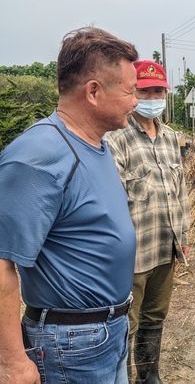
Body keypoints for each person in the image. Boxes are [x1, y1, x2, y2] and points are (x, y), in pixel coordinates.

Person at [0, 27, 139, 384]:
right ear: (93, 91)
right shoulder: (39, 157)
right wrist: (13, 362)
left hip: (108, 331)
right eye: (129, 90)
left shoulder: (97, 144)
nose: (136, 100)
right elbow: (2, 266)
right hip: (71, 346)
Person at [105, 60, 191, 383]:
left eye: (159, 91)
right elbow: (113, 202)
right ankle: (124, 378)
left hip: (165, 249)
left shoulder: (170, 138)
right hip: (134, 255)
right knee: (128, 322)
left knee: (156, 316)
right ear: (133, 92)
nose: (153, 96)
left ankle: (149, 376)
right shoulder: (118, 138)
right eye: (146, 90)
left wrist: (182, 236)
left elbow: (179, 191)